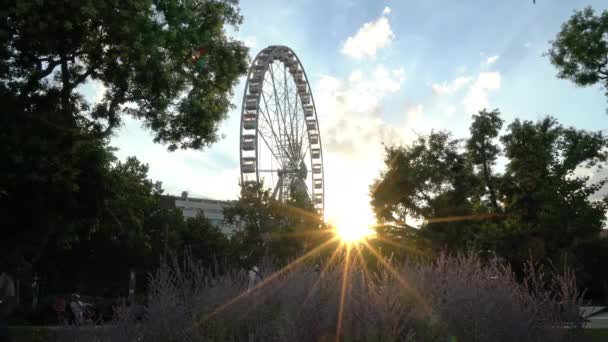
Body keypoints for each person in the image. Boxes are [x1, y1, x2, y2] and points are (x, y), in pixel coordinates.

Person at [0, 269, 16, 342]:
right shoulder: (6, 278)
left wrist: (1, 301)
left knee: (2, 322)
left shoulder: (6, 278)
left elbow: (9, 294)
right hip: (6, 304)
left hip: (7, 304)